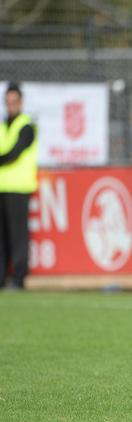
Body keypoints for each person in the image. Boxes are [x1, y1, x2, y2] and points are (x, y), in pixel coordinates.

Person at [0, 82, 38, 290]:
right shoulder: (2, 125)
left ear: (21, 102)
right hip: (1, 187)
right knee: (2, 237)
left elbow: (14, 153)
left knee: (18, 236)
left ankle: (19, 278)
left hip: (18, 188)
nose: (10, 105)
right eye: (8, 102)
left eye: (14, 102)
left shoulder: (26, 126)